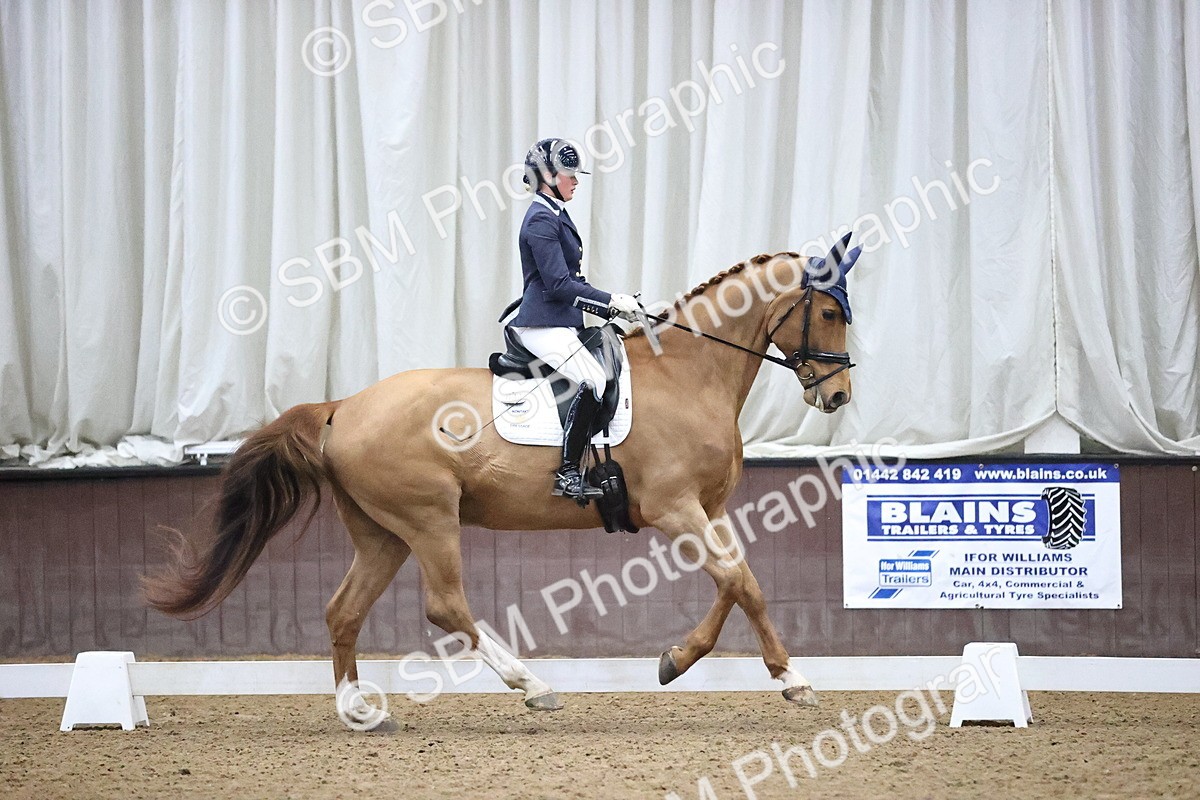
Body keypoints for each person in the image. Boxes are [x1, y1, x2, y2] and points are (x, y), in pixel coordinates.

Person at [506, 138, 640, 499]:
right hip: (542, 324)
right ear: (546, 176)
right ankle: (566, 473)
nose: (576, 181)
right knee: (594, 381)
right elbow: (559, 285)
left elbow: (575, 282)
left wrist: (611, 307)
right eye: (569, 175)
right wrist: (611, 301)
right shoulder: (539, 221)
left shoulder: (556, 214)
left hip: (562, 320)